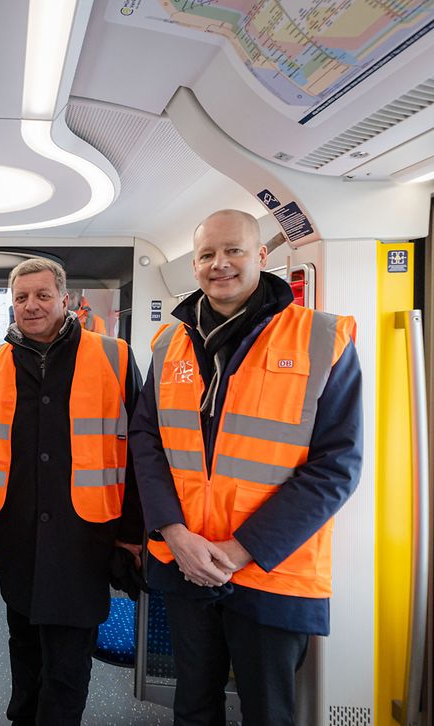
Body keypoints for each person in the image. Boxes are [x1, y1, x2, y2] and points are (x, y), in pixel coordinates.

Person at [130, 209, 363, 725]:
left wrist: (242, 550)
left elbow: (337, 465)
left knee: (269, 712)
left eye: (233, 250)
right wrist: (173, 532)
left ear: (261, 256)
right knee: (192, 705)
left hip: (271, 568)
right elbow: (147, 438)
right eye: (207, 254)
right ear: (194, 266)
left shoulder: (321, 338)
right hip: (186, 559)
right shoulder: (169, 343)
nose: (220, 264)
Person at [0, 258, 143, 726]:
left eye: (43, 295)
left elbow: (143, 449)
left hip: (85, 535)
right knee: (23, 651)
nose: (31, 305)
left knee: (68, 667)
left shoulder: (114, 356)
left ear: (65, 300)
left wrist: (132, 534)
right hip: (17, 531)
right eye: (22, 297)